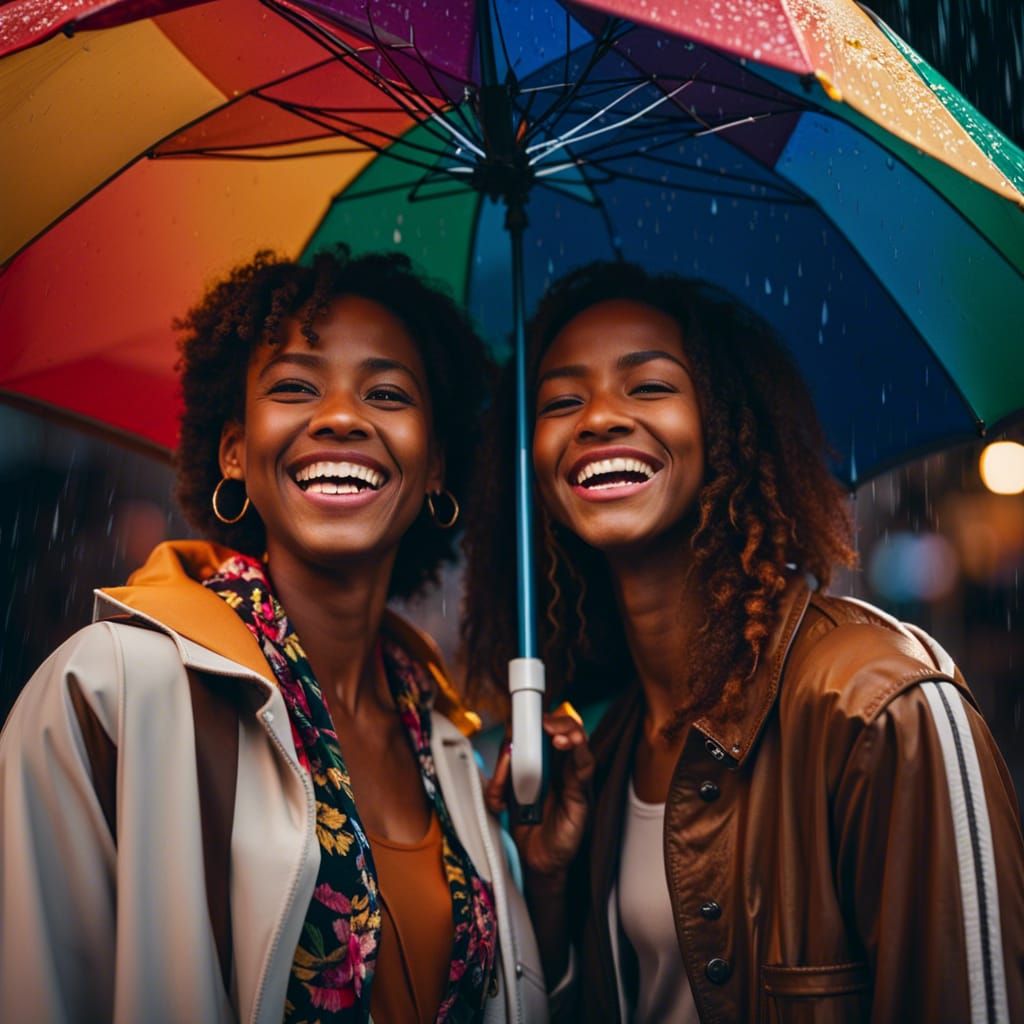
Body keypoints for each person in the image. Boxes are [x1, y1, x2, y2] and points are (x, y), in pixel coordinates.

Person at [463, 261, 1024, 1023]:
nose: (597, 417)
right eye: (561, 399)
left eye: (649, 386)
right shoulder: (616, 744)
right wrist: (554, 891)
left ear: (728, 425)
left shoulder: (885, 706)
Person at [0, 248, 546, 1024]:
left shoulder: (448, 743)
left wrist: (547, 883)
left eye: (387, 392)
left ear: (436, 469)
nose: (342, 416)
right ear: (234, 450)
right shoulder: (106, 692)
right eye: (295, 386)